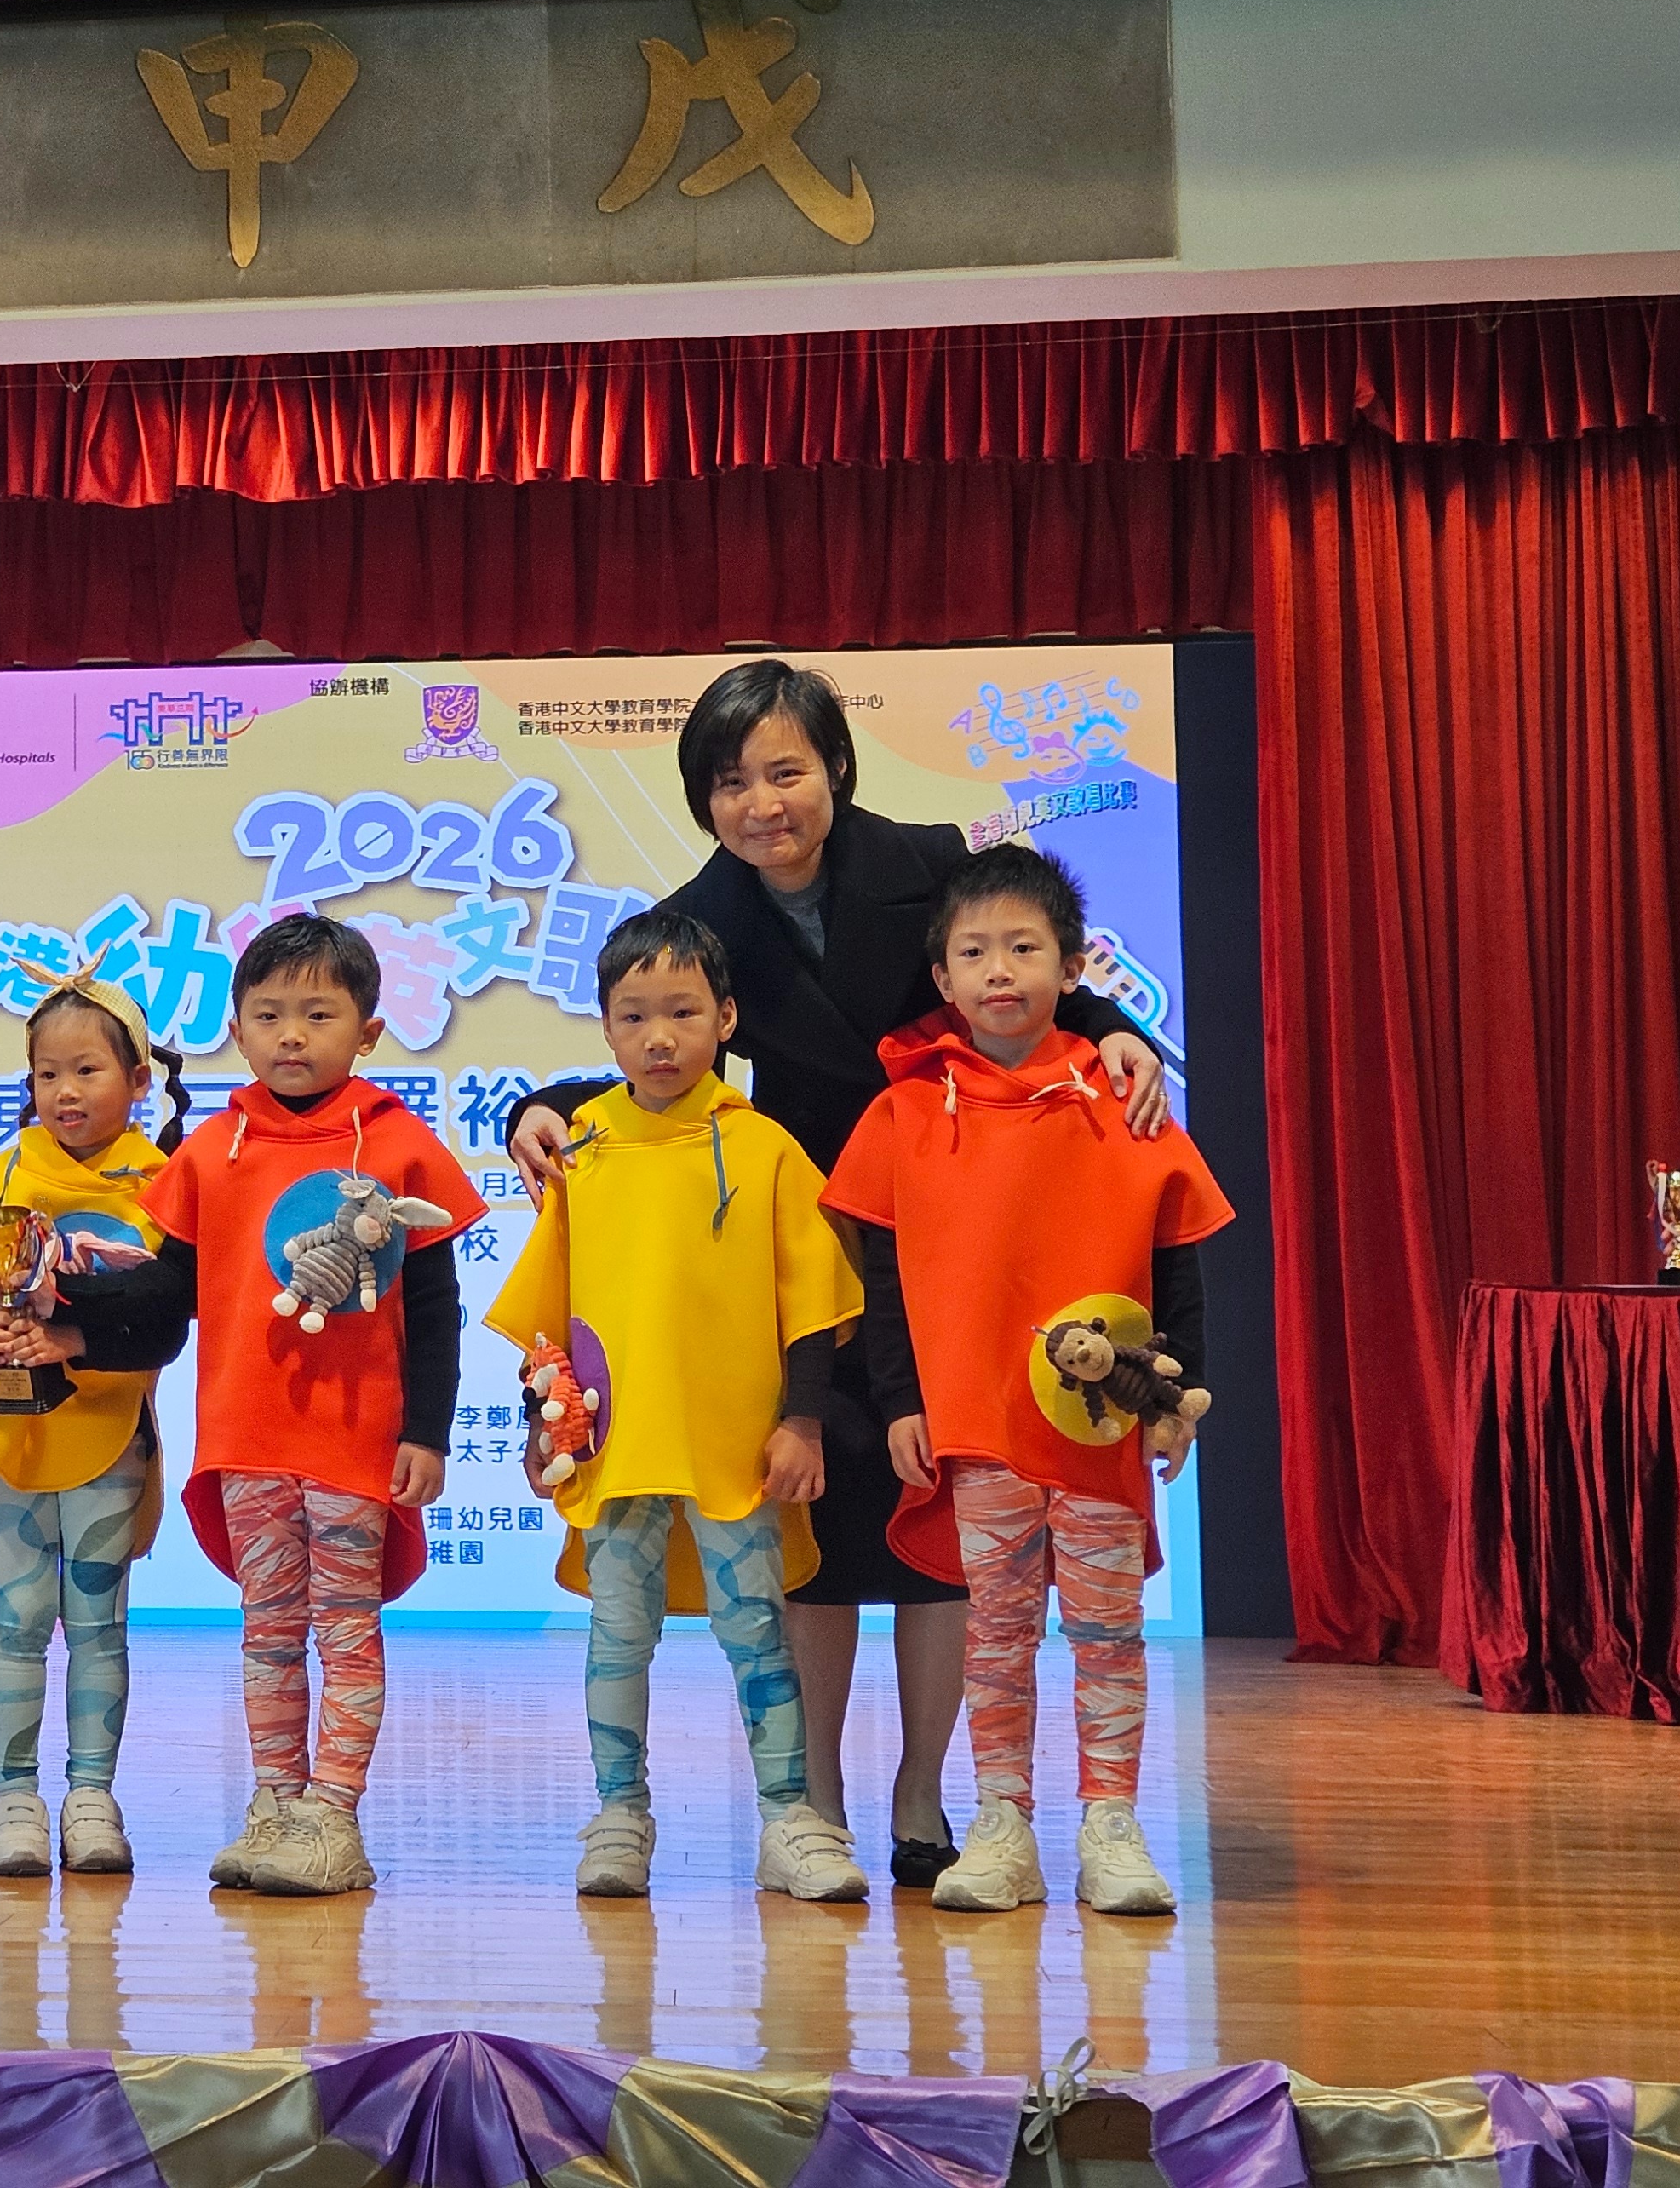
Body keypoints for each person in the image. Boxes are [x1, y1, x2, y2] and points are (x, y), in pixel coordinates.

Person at [505, 658, 1170, 1889]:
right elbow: (665, 1056)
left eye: (785, 772)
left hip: (956, 1222)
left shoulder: (929, 861)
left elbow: (1012, 974)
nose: (762, 803)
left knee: (939, 1520)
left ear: (837, 769)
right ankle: (808, 1794)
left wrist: (1113, 1032)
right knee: (814, 1512)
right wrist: (540, 1104)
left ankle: (923, 1789)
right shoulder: (704, 913)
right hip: (795, 1235)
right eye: (730, 782)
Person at [823, 846, 1230, 1916]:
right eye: (973, 953)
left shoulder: (1124, 1096)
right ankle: (1001, 1822)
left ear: (1072, 966)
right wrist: (902, 1400)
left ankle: (1111, 1826)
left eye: (1023, 947)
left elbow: (1176, 1254)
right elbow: (882, 1274)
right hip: (974, 1423)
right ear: (942, 978)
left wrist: (1176, 1400)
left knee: (1107, 1633)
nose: (998, 970)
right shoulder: (908, 1108)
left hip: (1100, 1427)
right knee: (995, 1634)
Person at [54, 913, 483, 1898]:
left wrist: (426, 1432)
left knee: (345, 1629)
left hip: (356, 1441)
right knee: (268, 1632)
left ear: (368, 1032)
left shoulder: (399, 1146)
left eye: (318, 1015)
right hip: (245, 1436)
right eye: (269, 1014)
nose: (292, 1035)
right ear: (237, 1030)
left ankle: (334, 1818)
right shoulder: (213, 1149)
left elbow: (434, 1307)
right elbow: (165, 1294)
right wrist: (58, 1305)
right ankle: (277, 1804)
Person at [485, 910, 866, 1903]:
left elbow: (812, 1303)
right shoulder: (584, 1152)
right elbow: (548, 1316)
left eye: (683, 1012)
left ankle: (789, 1820)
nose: (659, 1037)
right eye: (634, 1016)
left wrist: (801, 1421)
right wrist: (540, 1430)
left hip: (737, 1450)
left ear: (726, 1018)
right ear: (606, 1028)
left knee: (757, 1632)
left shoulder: (766, 1149)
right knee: (618, 1635)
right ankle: (619, 1815)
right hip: (614, 1451)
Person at [0, 968, 192, 1881]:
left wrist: (74, 1336)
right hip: (8, 1432)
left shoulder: (166, 1183)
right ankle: (14, 1799)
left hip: (110, 1427)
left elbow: (169, 1318)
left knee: (98, 1619)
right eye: (47, 1073)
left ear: (137, 1080)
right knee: (17, 1614)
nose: (64, 1091)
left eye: (87, 1071)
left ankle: (92, 1796)